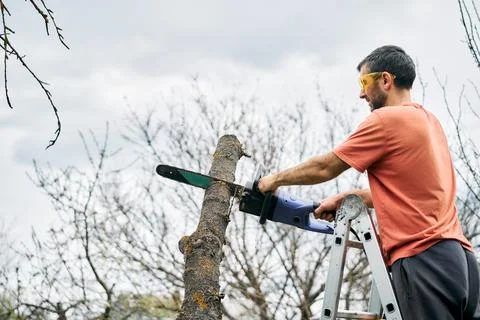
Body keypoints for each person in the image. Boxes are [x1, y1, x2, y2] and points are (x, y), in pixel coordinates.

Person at [258, 45, 480, 320]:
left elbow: (326, 167)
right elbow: (417, 193)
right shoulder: (429, 121)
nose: (361, 93)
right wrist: (353, 197)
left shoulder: (386, 120)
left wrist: (273, 180)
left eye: (364, 82)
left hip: (423, 257)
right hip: (462, 262)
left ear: (386, 80)